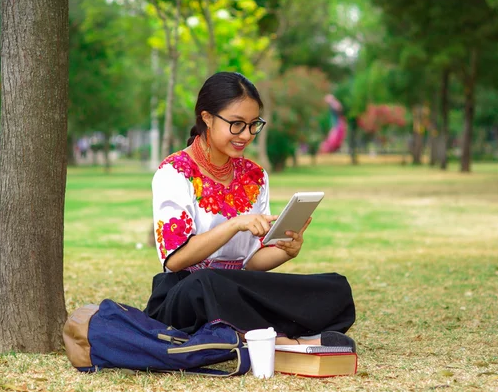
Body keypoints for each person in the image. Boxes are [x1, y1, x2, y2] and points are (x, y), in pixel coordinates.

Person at [144, 72, 355, 347]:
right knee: (208, 283)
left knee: (333, 288)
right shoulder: (175, 172)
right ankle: (285, 342)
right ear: (207, 118)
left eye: (253, 125)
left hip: (237, 287)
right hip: (187, 293)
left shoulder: (254, 176)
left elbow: (251, 264)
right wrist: (235, 224)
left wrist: (285, 251)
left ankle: (255, 336)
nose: (246, 135)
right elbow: (175, 260)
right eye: (236, 124)